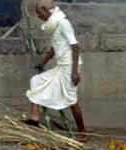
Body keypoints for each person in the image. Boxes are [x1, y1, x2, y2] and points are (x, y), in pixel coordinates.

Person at [23, 0, 88, 142]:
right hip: (61, 65)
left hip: (70, 66)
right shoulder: (52, 26)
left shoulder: (63, 23)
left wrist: (75, 72)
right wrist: (42, 62)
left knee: (71, 99)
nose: (38, 16)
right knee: (36, 80)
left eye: (39, 13)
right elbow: (54, 49)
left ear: (46, 10)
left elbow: (75, 46)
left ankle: (82, 132)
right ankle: (34, 118)